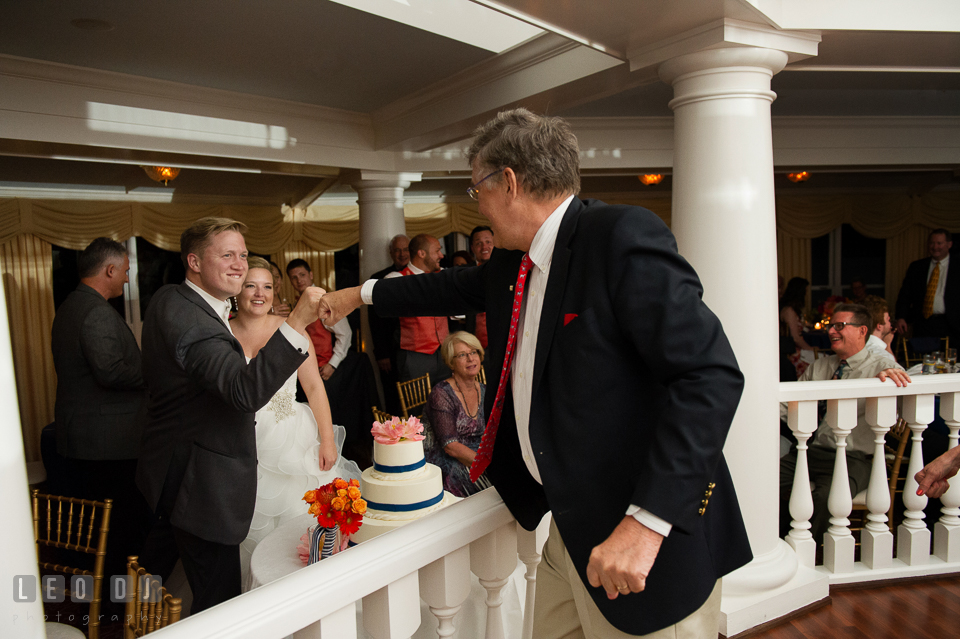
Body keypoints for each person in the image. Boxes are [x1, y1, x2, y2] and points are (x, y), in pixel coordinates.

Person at [318, 108, 752, 637]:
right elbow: (439, 289)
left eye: (477, 188)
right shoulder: (513, 263)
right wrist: (354, 295)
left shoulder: (618, 237)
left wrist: (646, 523)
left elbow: (710, 376)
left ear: (509, 182)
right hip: (567, 532)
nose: (475, 202)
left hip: (640, 547)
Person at [137, 217, 325, 613]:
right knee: (220, 602)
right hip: (200, 483)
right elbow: (243, 392)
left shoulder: (173, 299)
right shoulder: (194, 321)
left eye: (242, 254)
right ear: (194, 261)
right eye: (227, 255)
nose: (239, 264)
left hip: (185, 467)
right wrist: (296, 323)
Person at [230, 258, 361, 588]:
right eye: (250, 285)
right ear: (236, 292)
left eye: (267, 287)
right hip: (241, 443)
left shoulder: (291, 331)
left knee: (298, 527)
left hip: (294, 441)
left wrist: (328, 439)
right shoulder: (222, 333)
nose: (259, 293)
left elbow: (314, 387)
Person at [50, 237, 151, 581]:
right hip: (108, 443)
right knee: (119, 526)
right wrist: (157, 372)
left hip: (84, 437)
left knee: (95, 528)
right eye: (123, 271)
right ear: (109, 269)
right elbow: (111, 372)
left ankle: (100, 590)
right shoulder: (95, 311)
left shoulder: (69, 306)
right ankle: (118, 598)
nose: (125, 278)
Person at [779, 303, 910, 541]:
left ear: (862, 331)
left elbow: (897, 373)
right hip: (814, 452)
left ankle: (807, 553)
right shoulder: (822, 366)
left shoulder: (879, 364)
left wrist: (891, 372)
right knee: (765, 481)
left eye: (840, 326)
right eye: (830, 326)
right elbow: (787, 404)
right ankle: (771, 545)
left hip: (856, 459)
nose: (831, 331)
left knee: (826, 498)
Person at [286, 258, 377, 469]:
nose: (299, 280)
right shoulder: (294, 306)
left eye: (302, 275)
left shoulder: (325, 302)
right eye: (294, 277)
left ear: (310, 275)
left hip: (326, 370)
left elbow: (344, 335)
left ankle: (335, 454)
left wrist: (333, 364)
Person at [423, 332, 491, 498]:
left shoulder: (484, 390)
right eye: (462, 355)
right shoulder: (442, 393)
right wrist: (488, 465)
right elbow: (450, 446)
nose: (470, 359)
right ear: (451, 363)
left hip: (478, 456)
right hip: (449, 462)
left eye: (474, 352)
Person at [385, 234, 451, 384]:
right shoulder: (395, 278)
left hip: (444, 353)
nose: (441, 255)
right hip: (415, 356)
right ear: (422, 253)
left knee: (448, 402)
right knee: (419, 405)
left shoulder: (443, 276)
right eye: (437, 251)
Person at [895, 229, 959, 345]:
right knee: (923, 361)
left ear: (949, 244)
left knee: (951, 361)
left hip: (952, 326)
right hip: (923, 325)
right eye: (932, 243)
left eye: (939, 243)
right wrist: (901, 317)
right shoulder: (917, 267)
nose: (935, 247)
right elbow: (905, 294)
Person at [369, 235, 409, 414]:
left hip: (415, 351)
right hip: (390, 351)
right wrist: (382, 354)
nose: (402, 254)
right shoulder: (378, 279)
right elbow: (375, 321)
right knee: (393, 395)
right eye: (397, 250)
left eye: (406, 249)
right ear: (391, 253)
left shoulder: (420, 276)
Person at [780, 277, 815, 376]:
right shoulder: (789, 311)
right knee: (822, 362)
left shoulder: (791, 310)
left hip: (797, 350)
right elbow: (796, 338)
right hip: (793, 353)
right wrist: (812, 349)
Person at [468, 226, 494, 347]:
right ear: (472, 248)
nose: (484, 247)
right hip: (473, 343)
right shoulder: (465, 274)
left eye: (488, 242)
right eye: (479, 243)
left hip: (504, 342)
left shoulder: (510, 271)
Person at [862, 294, 897, 363]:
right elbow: (896, 371)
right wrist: (888, 347)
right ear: (879, 326)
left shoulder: (857, 349)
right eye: (888, 319)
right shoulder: (883, 356)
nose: (890, 322)